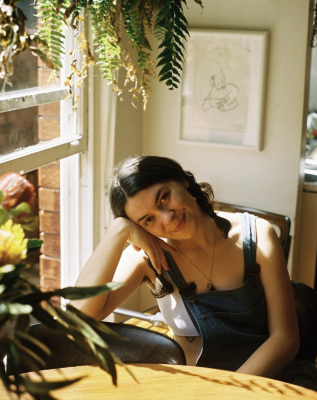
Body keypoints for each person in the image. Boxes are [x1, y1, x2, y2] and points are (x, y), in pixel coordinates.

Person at [72, 155, 317, 390]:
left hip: (274, 383)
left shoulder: (258, 235)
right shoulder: (147, 258)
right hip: (196, 390)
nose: (167, 219)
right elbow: (79, 318)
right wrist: (117, 231)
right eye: (148, 220)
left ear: (182, 180)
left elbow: (285, 339)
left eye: (164, 198)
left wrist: (229, 393)